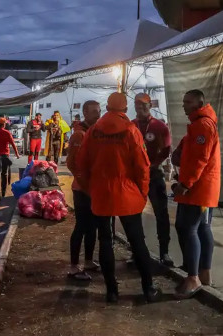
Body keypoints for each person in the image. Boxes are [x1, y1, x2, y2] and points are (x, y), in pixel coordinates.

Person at [77, 92, 161, 304]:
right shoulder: (131, 130)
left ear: (107, 107)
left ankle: (112, 291)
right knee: (137, 242)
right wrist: (142, 193)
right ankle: (148, 289)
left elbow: (82, 165)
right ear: (125, 109)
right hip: (127, 195)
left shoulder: (94, 131)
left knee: (105, 241)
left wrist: (91, 190)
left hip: (101, 194)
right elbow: (143, 167)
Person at [172, 89, 221, 299]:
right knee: (199, 227)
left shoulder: (203, 125)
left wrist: (185, 183)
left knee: (189, 228)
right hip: (198, 186)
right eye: (183, 101)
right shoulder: (198, 125)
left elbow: (199, 159)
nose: (184, 105)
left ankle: (194, 277)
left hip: (199, 187)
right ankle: (203, 273)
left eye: (188, 102)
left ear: (199, 103)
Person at [133, 92, 174, 267]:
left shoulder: (159, 126)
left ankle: (164, 252)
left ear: (150, 106)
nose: (141, 108)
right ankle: (137, 252)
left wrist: (154, 164)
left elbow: (166, 150)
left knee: (161, 214)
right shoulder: (131, 126)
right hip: (135, 177)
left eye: (144, 105)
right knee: (133, 215)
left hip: (154, 175)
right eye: (137, 105)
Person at [66, 100, 101, 281]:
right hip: (82, 190)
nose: (98, 114)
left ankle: (88, 260)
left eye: (99, 110)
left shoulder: (95, 132)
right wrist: (83, 183)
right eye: (94, 111)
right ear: (85, 113)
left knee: (92, 226)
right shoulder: (79, 135)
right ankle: (73, 266)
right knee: (81, 226)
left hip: (93, 190)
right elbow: (71, 163)